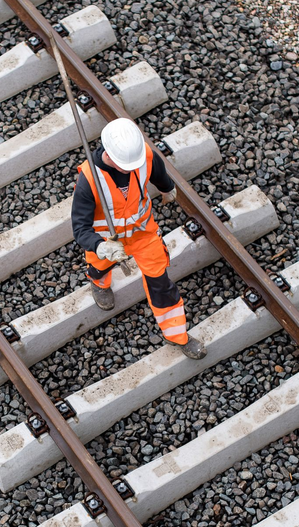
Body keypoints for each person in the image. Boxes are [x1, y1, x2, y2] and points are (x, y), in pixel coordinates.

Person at [70, 118, 206, 360]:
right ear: (109, 155)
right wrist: (101, 247)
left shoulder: (143, 156)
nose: (131, 168)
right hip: (107, 241)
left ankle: (177, 336)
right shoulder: (89, 180)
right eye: (125, 165)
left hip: (143, 234)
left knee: (161, 284)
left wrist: (167, 188)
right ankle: (99, 284)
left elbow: (157, 170)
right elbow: (80, 229)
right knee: (99, 267)